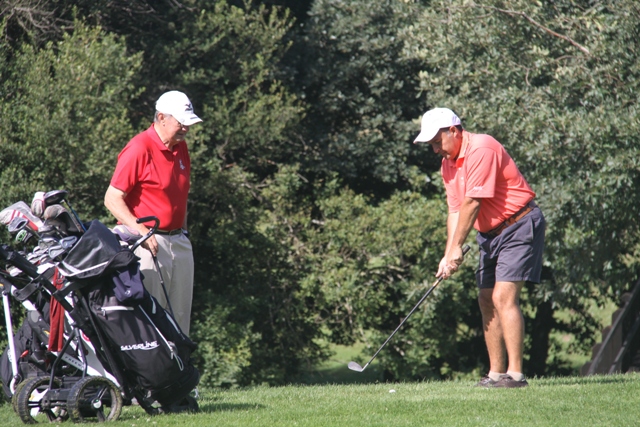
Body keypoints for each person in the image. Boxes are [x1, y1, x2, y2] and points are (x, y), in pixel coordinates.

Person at [414, 108, 545, 388]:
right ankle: (496, 374)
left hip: (518, 224)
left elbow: (473, 202)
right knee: (486, 298)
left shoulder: (482, 148)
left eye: (437, 141)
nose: (435, 149)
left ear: (454, 131)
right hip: (488, 234)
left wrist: (458, 247)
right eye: (431, 145)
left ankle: (516, 375)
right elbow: (455, 211)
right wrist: (448, 253)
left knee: (502, 297)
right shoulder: (448, 164)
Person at [104, 90, 202, 336]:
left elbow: (180, 195)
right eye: (181, 123)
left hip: (178, 242)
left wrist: (184, 233)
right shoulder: (140, 147)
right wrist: (142, 232)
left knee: (180, 321)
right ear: (161, 118)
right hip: (147, 243)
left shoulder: (181, 147)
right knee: (150, 319)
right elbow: (112, 198)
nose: (186, 129)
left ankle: (177, 362)